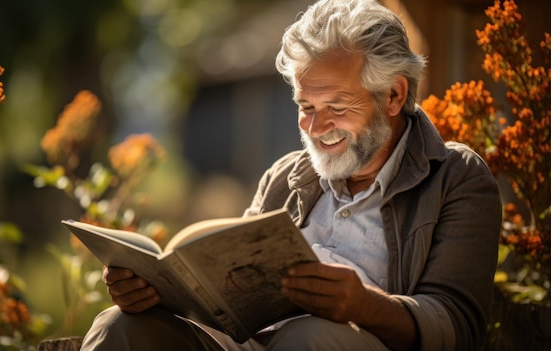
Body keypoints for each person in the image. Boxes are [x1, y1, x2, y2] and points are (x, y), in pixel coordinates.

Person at [80, 0, 502, 350]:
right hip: (251, 344)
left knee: (308, 336)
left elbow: (459, 328)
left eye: (336, 106)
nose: (315, 129)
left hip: (338, 342)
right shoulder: (286, 175)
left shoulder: (456, 178)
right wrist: (155, 291)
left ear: (393, 95)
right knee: (119, 324)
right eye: (306, 107)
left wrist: (364, 306)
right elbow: (228, 303)